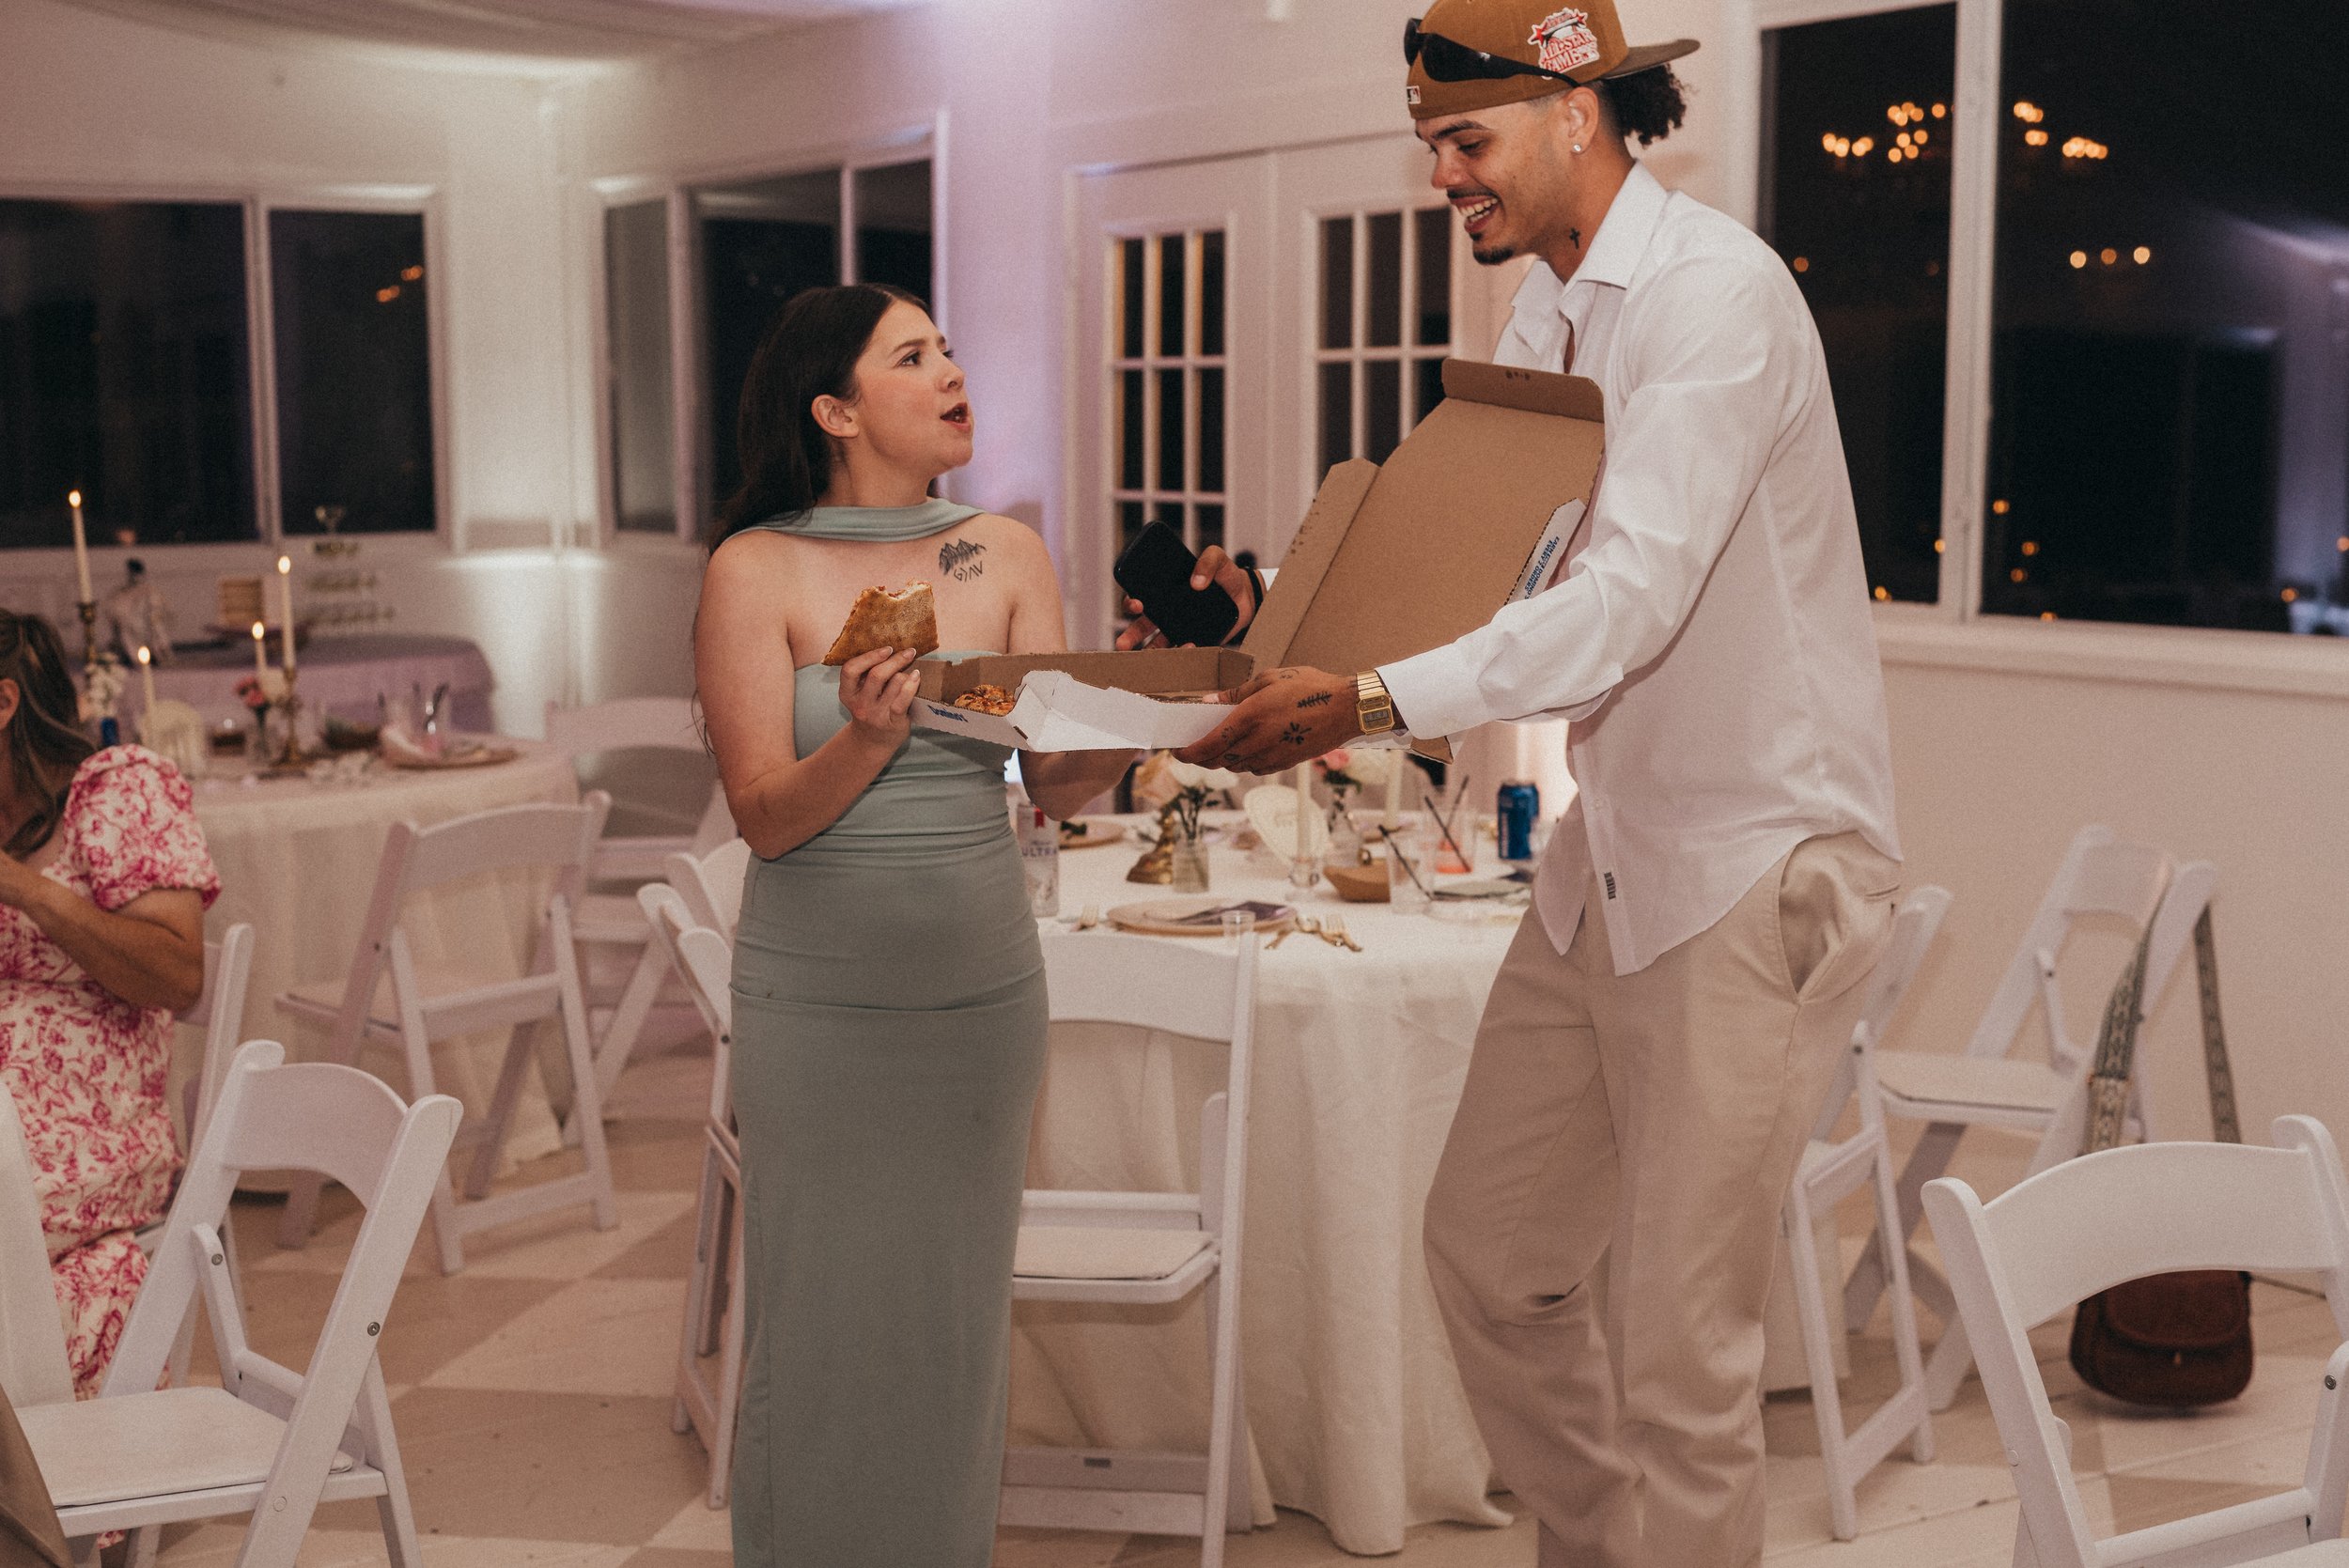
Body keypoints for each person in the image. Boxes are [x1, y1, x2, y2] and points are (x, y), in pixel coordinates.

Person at [1169, 2, 1903, 1561]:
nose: (1445, 174)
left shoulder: (1715, 297)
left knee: (1682, 1354)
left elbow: (1623, 605)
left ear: (1580, 117)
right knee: (1493, 1252)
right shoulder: (1546, 322)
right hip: (1613, 855)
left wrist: (1361, 694)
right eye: (1433, 142)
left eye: (1468, 140)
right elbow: (1500, 586)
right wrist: (1290, 644)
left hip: (1751, 863)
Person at [694, 283, 1133, 1566]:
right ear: (835, 409)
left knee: (950, 1328)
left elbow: (1054, 784)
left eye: (947, 345)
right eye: (912, 355)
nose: (951, 368)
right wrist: (873, 737)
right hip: (820, 1009)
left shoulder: (1006, 553)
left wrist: (1129, 718)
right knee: (822, 1320)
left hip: (978, 998)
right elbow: (767, 818)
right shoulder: (754, 568)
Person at [0, 610, 215, 1396]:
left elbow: (178, 974)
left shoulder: (120, 790)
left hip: (89, 1122)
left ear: (3, 703)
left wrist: (23, 887)